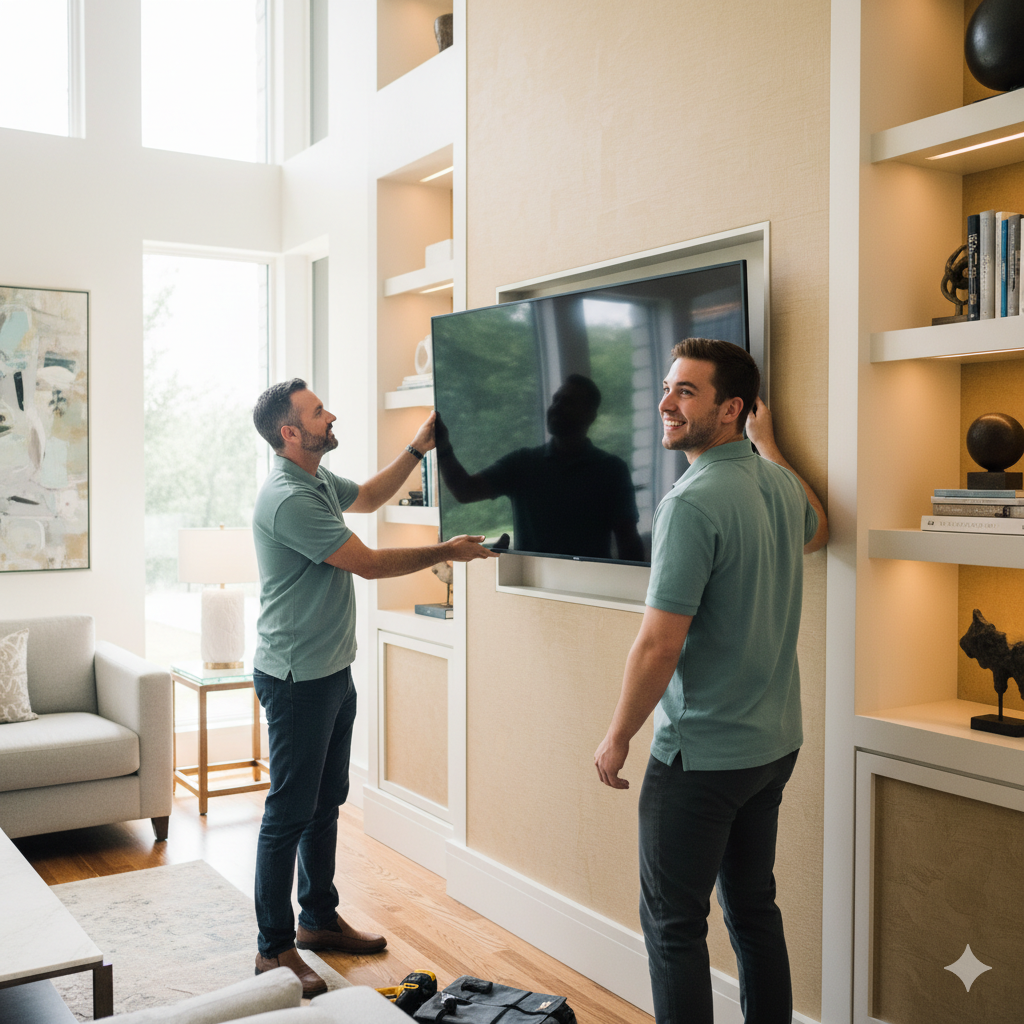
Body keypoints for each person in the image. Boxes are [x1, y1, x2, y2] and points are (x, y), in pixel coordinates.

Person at [593, 338, 828, 1024]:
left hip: (701, 758)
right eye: (668, 387)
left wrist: (617, 736)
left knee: (674, 928)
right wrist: (769, 445)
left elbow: (659, 643)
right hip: (773, 745)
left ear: (731, 409)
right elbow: (817, 528)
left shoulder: (691, 502)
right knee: (754, 912)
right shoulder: (776, 483)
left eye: (686, 392)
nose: (665, 402)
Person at [250, 378, 498, 997]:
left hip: (331, 670)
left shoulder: (316, 481)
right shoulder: (287, 497)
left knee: (327, 800)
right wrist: (449, 551)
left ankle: (318, 918)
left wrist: (419, 447)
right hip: (295, 679)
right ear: (290, 433)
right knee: (288, 813)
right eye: (316, 412)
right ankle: (273, 950)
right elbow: (365, 560)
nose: (330, 415)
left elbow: (366, 496)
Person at [436, 374, 645, 561]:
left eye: (568, 402)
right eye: (556, 400)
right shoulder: (522, 462)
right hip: (531, 587)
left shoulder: (611, 469)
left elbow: (628, 540)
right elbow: (465, 491)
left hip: (592, 588)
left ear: (590, 415)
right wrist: (443, 446)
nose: (556, 407)